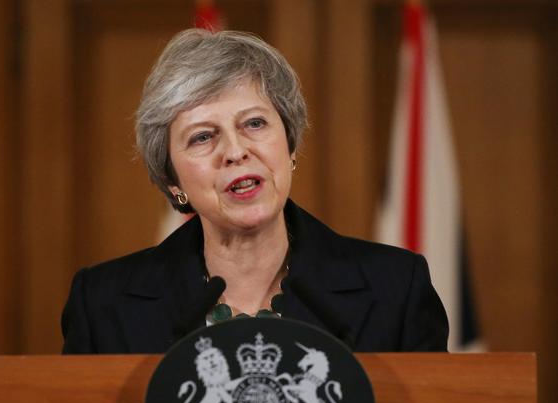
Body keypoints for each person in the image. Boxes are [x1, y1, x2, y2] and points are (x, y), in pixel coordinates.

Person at [61, 28, 448, 354]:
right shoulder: (103, 304)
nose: (235, 151)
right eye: (202, 137)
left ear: (290, 145)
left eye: (255, 123)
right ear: (173, 181)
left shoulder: (395, 288)